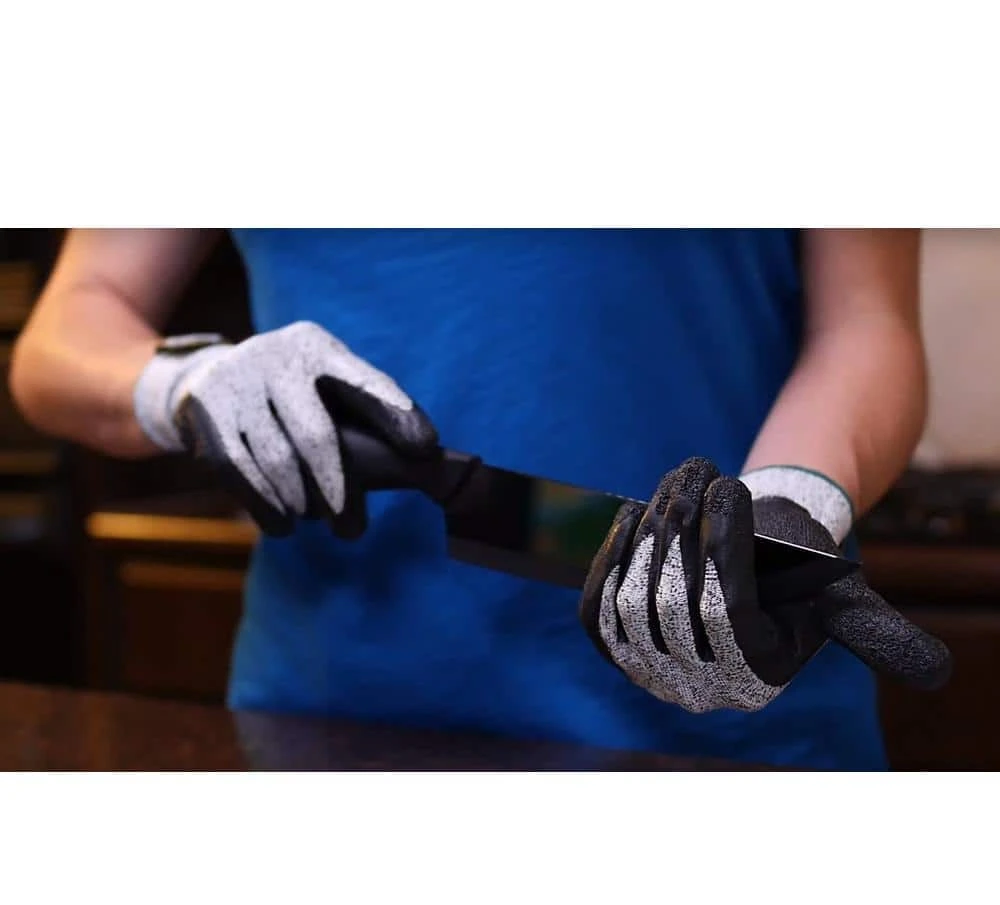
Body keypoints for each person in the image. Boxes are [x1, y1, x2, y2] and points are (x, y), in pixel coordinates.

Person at [9, 229, 950, 770]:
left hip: (726, 738)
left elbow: (866, 324)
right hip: (336, 732)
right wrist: (181, 381)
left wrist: (786, 507)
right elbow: (65, 333)